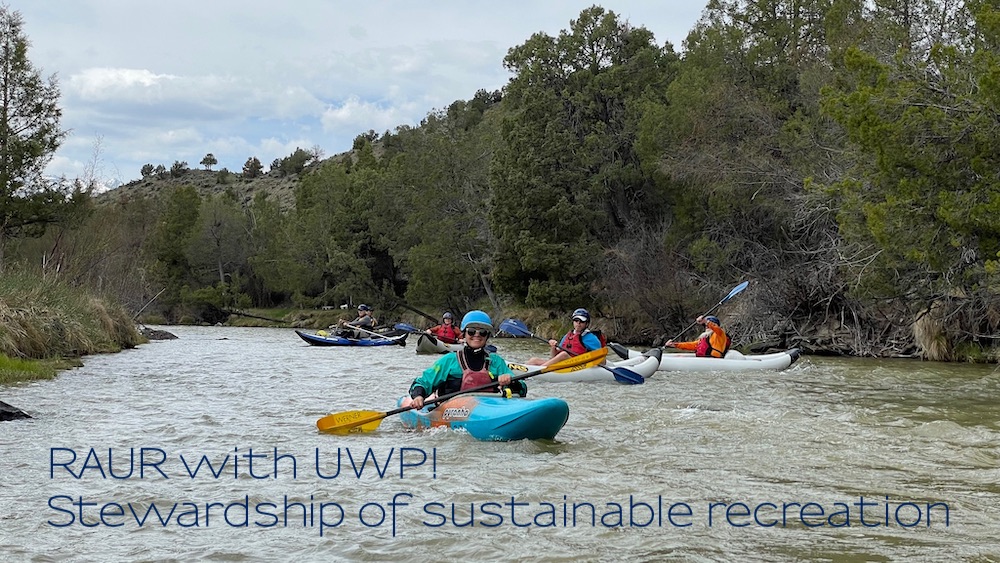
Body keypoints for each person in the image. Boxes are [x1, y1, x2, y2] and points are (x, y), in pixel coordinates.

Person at [402, 310, 525, 409]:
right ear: (464, 334)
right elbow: (422, 382)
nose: (477, 335)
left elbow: (522, 389)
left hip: (489, 408)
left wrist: (511, 381)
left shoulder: (496, 361)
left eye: (482, 332)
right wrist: (418, 396)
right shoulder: (449, 360)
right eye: (471, 331)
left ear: (487, 336)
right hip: (451, 412)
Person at [525, 308, 606, 366]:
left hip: (578, 366)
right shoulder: (568, 336)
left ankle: (542, 369)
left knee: (564, 354)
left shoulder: (591, 338)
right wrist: (553, 347)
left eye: (581, 321)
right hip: (563, 365)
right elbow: (554, 357)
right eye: (576, 320)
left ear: (587, 324)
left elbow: (603, 361)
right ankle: (523, 370)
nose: (578, 323)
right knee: (533, 360)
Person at [664, 315, 731, 358]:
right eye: (705, 326)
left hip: (713, 360)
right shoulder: (705, 337)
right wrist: (675, 345)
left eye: (708, 325)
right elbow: (692, 345)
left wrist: (706, 321)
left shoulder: (720, 334)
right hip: (704, 359)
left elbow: (715, 328)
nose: (707, 327)